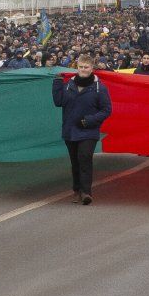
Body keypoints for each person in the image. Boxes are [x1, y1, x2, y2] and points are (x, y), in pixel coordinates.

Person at [52, 54, 113, 205]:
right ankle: (77, 190)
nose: (83, 69)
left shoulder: (99, 88)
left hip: (89, 131)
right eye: (81, 67)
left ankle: (86, 192)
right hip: (70, 130)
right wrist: (57, 82)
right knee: (75, 162)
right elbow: (58, 102)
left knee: (84, 157)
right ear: (77, 67)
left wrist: (90, 120)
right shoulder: (68, 85)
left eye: (86, 67)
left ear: (92, 68)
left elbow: (106, 110)